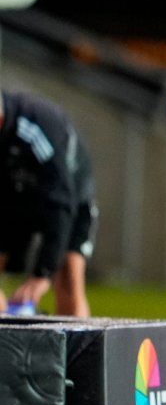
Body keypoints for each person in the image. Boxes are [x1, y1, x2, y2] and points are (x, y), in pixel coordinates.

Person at [0, 88, 96, 317]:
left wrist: (41, 275)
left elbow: (61, 205)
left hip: (69, 197)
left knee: (68, 277)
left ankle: (78, 350)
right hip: (13, 198)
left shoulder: (34, 125)